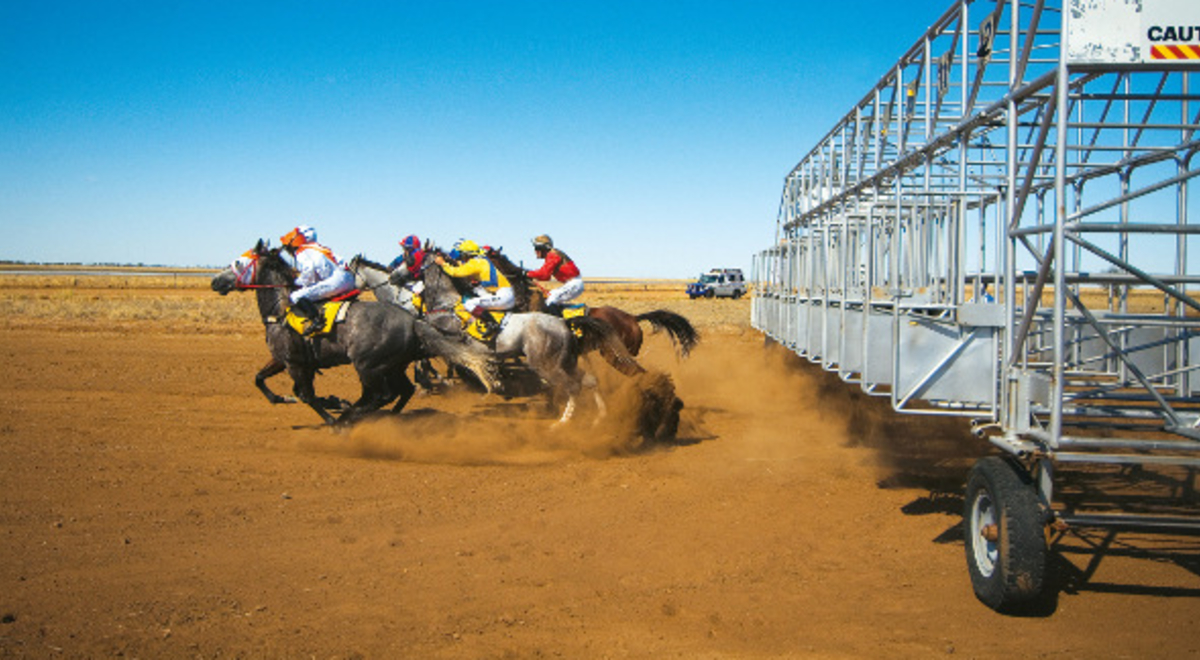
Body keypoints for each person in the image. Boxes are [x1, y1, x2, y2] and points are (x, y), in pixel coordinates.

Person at [279, 225, 356, 336]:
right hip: (348, 279)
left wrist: (297, 283)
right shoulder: (320, 248)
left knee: (296, 296)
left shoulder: (301, 252)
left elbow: (308, 270)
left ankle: (316, 320)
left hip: (336, 282)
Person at [433, 239, 514, 338]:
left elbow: (455, 272)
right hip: (502, 294)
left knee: (469, 303)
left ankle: (491, 324)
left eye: (462, 255)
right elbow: (464, 267)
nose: (461, 257)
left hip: (503, 296)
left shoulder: (474, 263)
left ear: (467, 255)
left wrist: (442, 263)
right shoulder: (481, 260)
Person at [526, 234, 582, 315]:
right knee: (551, 296)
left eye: (537, 248)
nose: (535, 251)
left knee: (551, 299)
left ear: (544, 248)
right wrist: (530, 275)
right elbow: (546, 277)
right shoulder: (551, 256)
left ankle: (557, 323)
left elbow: (544, 273)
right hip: (572, 284)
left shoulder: (553, 255)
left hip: (574, 284)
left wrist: (527, 273)